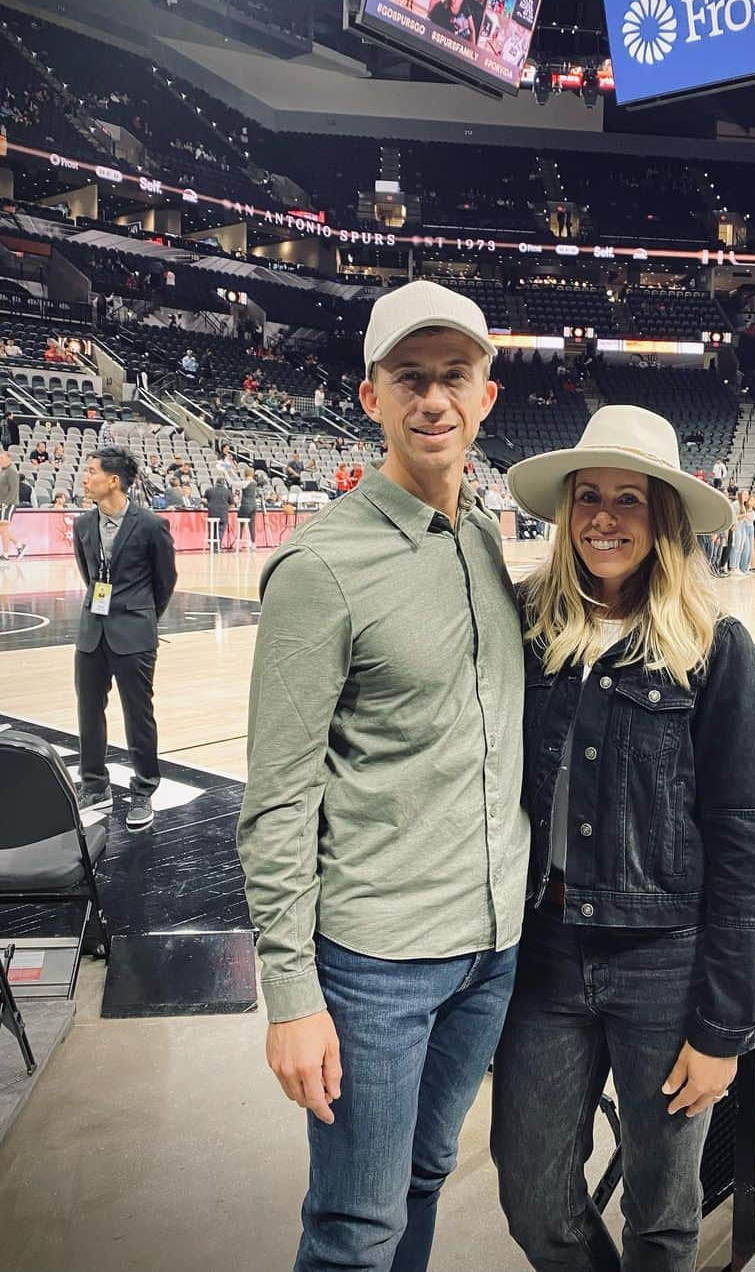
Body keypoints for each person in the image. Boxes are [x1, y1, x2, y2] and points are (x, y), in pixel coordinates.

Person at [236, 280, 529, 1271]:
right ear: (372, 399)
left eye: (456, 375)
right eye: (411, 377)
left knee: (422, 1177)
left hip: (489, 946)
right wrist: (291, 993)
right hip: (376, 967)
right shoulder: (320, 567)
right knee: (354, 1228)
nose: (435, 398)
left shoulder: (485, 534)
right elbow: (277, 797)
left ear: (487, 393)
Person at [493, 404, 755, 1271]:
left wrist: (723, 1026)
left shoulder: (712, 649)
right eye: (589, 496)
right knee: (533, 1197)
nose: (605, 518)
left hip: (666, 963)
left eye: (629, 498)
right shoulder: (530, 629)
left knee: (664, 1217)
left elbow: (746, 842)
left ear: (662, 518)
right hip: (544, 954)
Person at [72, 447, 178, 830]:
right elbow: (89, 575)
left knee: (138, 713)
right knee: (88, 710)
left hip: (134, 632)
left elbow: (165, 581)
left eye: (92, 472)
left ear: (113, 480)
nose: (86, 478)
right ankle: (95, 785)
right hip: (91, 632)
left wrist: (141, 616)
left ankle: (143, 789)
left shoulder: (150, 525)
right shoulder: (83, 525)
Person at [0, 450, 27, 559]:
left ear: (8, 459)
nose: (0, 460)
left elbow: (14, 490)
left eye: (2, 458)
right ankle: (19, 545)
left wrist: (6, 503)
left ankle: (6, 554)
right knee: (2, 529)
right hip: (2, 503)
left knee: (4, 527)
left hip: (8, 504)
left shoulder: (11, 472)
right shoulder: (3, 471)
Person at [729, 488, 755, 577]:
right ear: (740, 495)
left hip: (743, 526)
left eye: (747, 495)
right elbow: (734, 516)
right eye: (745, 495)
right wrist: (745, 515)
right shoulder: (736, 504)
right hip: (737, 527)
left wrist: (746, 516)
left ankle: (737, 567)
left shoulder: (743, 505)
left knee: (740, 548)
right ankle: (732, 567)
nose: (747, 496)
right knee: (736, 548)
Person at [204, 473, 233, 549]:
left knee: (212, 528)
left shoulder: (209, 490)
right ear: (224, 484)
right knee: (220, 529)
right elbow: (232, 504)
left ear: (216, 482)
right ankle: (217, 546)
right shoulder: (228, 492)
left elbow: (204, 500)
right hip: (223, 514)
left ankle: (212, 543)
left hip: (212, 514)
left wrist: (209, 505)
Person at [236, 468, 257, 551]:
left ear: (245, 474)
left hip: (246, 505)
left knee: (241, 524)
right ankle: (253, 544)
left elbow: (234, 483)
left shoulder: (245, 483)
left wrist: (226, 473)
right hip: (254, 505)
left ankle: (239, 544)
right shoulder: (254, 482)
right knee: (252, 525)